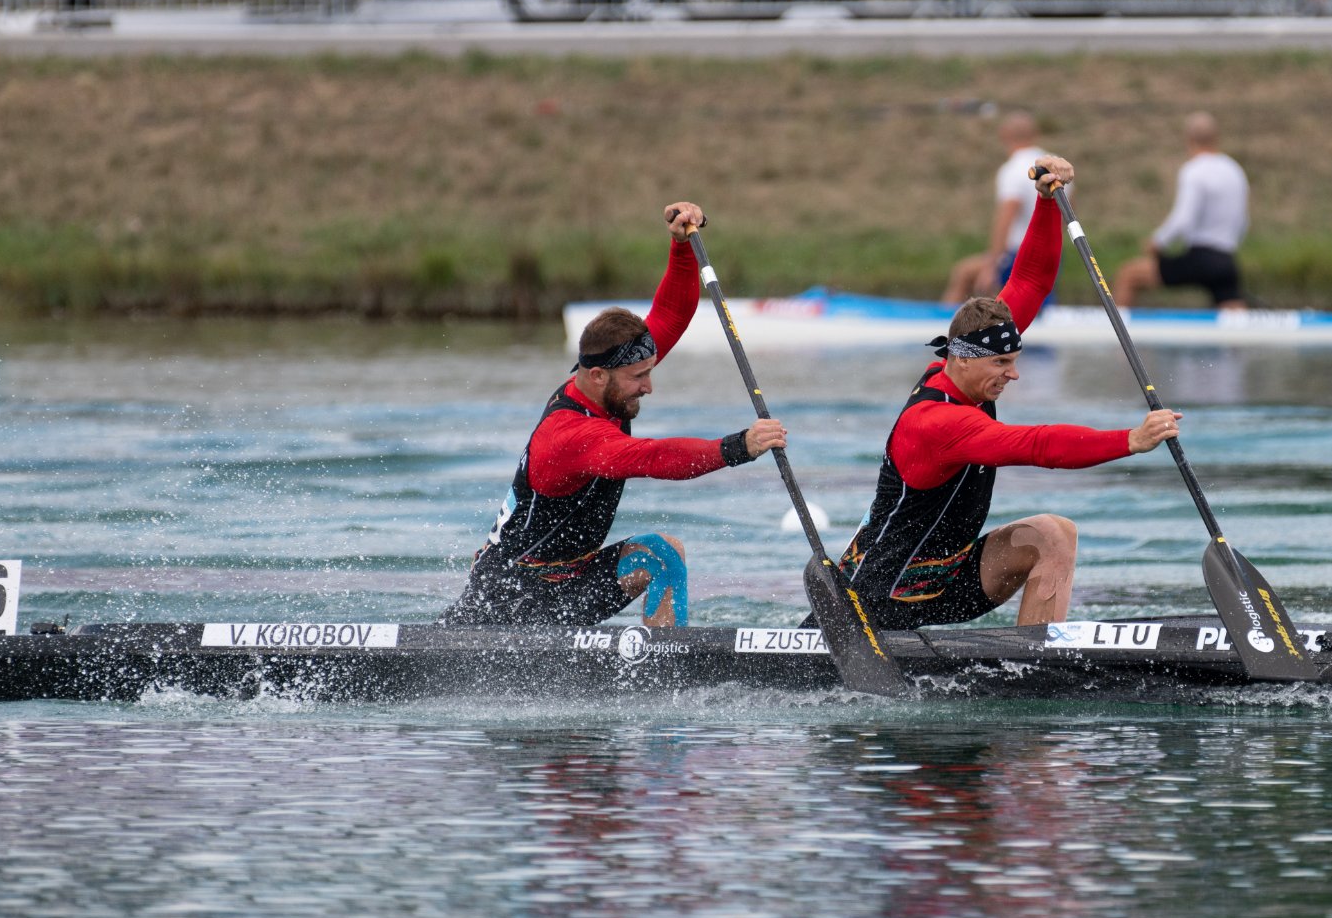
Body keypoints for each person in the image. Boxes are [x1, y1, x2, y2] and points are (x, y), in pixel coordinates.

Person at [839, 154, 1182, 631]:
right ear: (960, 359)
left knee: (1053, 535)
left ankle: (1039, 661)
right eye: (1002, 364)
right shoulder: (936, 423)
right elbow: (1038, 446)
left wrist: (1045, 204)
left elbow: (1032, 280)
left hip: (945, 579)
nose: (1012, 375)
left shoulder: (973, 356)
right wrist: (1130, 440)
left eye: (1014, 360)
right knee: (1047, 527)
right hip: (875, 603)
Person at [443, 203, 784, 627]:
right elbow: (652, 458)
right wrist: (739, 446)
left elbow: (673, 315)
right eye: (639, 376)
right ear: (599, 375)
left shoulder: (609, 383)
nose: (649, 386)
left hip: (570, 580)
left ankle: (662, 676)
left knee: (662, 554)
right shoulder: (568, 435)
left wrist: (680, 248)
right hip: (508, 602)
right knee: (660, 551)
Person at [1112, 113, 1251, 310]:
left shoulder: (1193, 170)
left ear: (1189, 139)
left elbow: (1183, 218)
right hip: (1227, 260)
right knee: (1236, 323)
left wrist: (1157, 243)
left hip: (1200, 258)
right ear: (1216, 138)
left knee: (1128, 275)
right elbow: (1243, 221)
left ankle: (1116, 338)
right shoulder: (1235, 170)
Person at [943, 111, 1047, 303]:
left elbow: (1006, 218)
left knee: (964, 273)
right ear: (1036, 134)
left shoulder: (1013, 170)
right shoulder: (1054, 165)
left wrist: (992, 265)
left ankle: (945, 323)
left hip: (1018, 255)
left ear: (1004, 135)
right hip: (1049, 254)